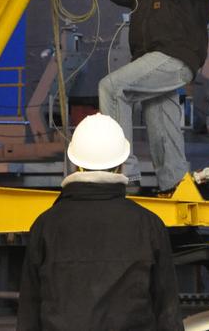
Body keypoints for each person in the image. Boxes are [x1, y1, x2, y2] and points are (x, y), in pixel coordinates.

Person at [18, 113, 183, 331]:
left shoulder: (46, 225)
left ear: (75, 163)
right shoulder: (149, 224)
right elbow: (168, 314)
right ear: (121, 165)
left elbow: (28, 315)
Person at [96, 0, 209, 192]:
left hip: (175, 55)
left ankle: (123, 173)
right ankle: (174, 186)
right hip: (155, 57)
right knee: (161, 120)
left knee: (112, 88)